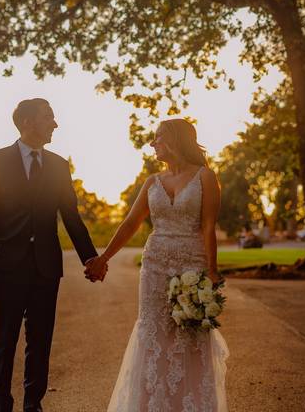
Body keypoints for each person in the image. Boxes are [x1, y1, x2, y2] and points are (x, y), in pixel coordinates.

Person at [85, 118, 229, 411]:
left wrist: (211, 271)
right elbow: (130, 224)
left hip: (192, 265)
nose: (152, 143)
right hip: (154, 266)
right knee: (153, 333)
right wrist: (103, 258)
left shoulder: (205, 176)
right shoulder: (152, 182)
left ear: (176, 139)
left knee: (190, 335)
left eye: (158, 137)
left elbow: (208, 226)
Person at [0, 98, 104, 412]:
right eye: (49, 117)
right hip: (5, 266)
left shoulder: (59, 165)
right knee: (4, 341)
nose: (55, 124)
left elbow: (71, 216)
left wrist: (90, 257)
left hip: (46, 267)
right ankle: (0, 404)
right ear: (28, 122)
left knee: (41, 342)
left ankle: (34, 404)